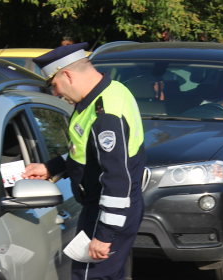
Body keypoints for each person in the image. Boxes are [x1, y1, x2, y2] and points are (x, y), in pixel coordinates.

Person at [22, 42, 146, 279]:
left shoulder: (106, 114)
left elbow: (117, 177)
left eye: (54, 85)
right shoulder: (110, 92)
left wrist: (104, 234)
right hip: (106, 209)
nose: (56, 93)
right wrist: (52, 167)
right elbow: (91, 153)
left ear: (67, 74)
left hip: (106, 210)